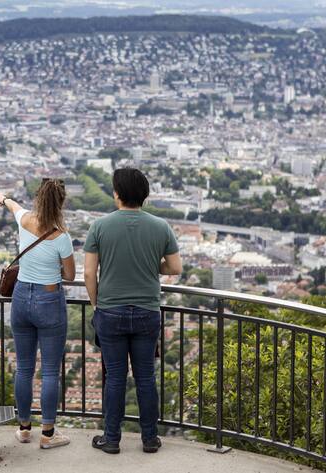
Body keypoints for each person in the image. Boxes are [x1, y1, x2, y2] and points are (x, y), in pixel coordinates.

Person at [83, 168, 182, 454]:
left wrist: (95, 303)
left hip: (110, 311)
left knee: (115, 377)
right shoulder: (161, 226)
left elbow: (89, 274)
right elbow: (175, 268)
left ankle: (111, 439)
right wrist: (153, 266)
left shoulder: (99, 226)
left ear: (117, 194)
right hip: (147, 312)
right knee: (145, 377)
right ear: (144, 195)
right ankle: (150, 438)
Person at [0, 178, 76, 449]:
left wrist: (3, 198)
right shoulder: (61, 236)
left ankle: (24, 428)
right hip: (49, 299)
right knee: (51, 371)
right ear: (61, 202)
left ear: (39, 198)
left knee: (24, 368)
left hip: (21, 297)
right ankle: (49, 434)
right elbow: (71, 275)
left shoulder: (25, 220)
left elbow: (14, 207)